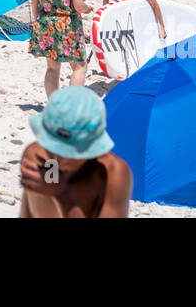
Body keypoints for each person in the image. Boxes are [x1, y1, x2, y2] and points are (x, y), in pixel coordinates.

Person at [19, 86, 132, 218]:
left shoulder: (112, 172)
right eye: (54, 147)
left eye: (69, 152)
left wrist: (63, 196)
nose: (59, 158)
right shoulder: (37, 155)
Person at [29, 0, 91, 97]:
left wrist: (38, 21)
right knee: (79, 66)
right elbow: (78, 5)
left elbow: (34, 1)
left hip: (45, 23)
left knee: (52, 67)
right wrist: (87, 8)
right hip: (67, 25)